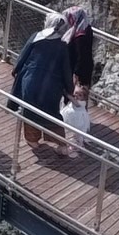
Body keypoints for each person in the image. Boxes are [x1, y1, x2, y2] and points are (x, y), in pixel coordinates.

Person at [9, 12, 74, 154]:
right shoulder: (62, 47)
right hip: (51, 88)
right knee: (52, 114)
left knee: (29, 111)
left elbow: (23, 56)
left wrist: (16, 70)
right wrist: (69, 90)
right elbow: (66, 71)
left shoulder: (36, 37)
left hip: (30, 82)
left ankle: (33, 140)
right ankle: (61, 145)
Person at [63, 5, 95, 88]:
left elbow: (81, 55)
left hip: (79, 72)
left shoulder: (80, 35)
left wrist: (76, 73)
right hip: (85, 69)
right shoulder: (85, 28)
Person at [60, 84, 91, 158]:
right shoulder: (77, 101)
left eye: (80, 95)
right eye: (76, 93)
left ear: (84, 98)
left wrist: (65, 92)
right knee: (73, 132)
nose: (76, 96)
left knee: (78, 133)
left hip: (78, 119)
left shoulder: (80, 103)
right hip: (73, 117)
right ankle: (74, 142)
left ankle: (78, 145)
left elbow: (73, 100)